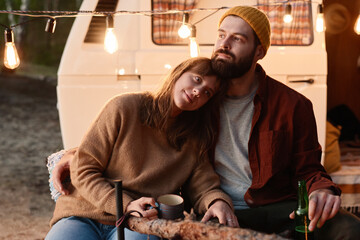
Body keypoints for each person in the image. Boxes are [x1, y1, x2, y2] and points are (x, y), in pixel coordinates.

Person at [52, 6, 360, 239]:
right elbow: (145, 128)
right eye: (222, 35)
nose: (224, 44)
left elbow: (309, 168)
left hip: (275, 205)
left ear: (259, 51)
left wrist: (323, 191)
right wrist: (74, 154)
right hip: (212, 210)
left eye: (238, 39)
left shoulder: (293, 105)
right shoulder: (199, 106)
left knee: (349, 228)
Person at [45, 57, 238, 240]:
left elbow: (203, 187)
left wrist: (217, 202)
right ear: (179, 72)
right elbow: (82, 169)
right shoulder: (124, 107)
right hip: (82, 213)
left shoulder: (193, 139)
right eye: (197, 79)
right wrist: (126, 204)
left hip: (138, 224)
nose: (198, 91)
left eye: (207, 93)